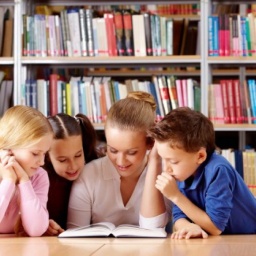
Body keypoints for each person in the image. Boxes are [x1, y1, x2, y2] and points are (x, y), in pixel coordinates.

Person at [147, 107, 256, 239]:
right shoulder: (182, 173)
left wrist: (175, 196)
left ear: (200, 156)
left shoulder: (218, 170)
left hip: (248, 239)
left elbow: (215, 228)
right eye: (163, 159)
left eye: (173, 161)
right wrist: (188, 226)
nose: (166, 169)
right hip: (220, 241)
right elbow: (178, 216)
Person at [67, 91, 171, 229]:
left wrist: (155, 160)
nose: (121, 161)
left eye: (132, 152)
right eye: (113, 150)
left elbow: (153, 229)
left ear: (151, 143)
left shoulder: (166, 173)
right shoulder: (88, 175)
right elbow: (74, 236)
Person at [0, 105, 53, 236]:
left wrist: (24, 182)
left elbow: (36, 230)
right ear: (9, 148)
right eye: (35, 153)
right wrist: (8, 181)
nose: (42, 162)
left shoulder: (39, 176)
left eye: (44, 153)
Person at [43, 113, 100, 235]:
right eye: (62, 160)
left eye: (78, 155)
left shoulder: (95, 168)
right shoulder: (40, 179)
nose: (73, 166)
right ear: (47, 156)